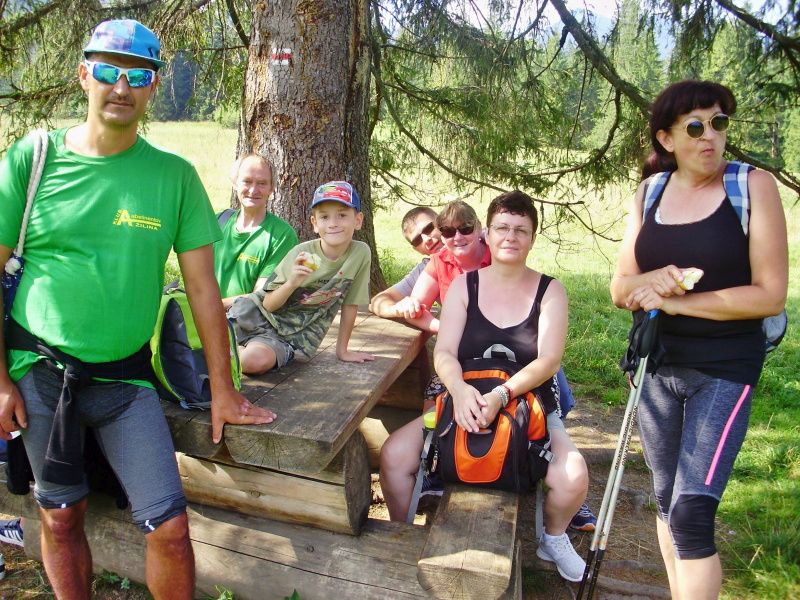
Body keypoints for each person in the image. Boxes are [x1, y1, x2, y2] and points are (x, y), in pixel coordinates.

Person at [0, 20, 274, 599]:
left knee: (170, 528)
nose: (121, 87)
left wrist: (223, 388)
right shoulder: (33, 158)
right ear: (84, 75)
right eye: (108, 70)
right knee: (60, 516)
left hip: (125, 381)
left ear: (154, 86)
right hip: (39, 371)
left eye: (139, 75)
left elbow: (203, 290)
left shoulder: (173, 177)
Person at [610, 80, 788, 599]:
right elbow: (620, 288)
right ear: (667, 139)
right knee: (667, 500)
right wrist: (653, 280)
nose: (709, 135)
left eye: (718, 123)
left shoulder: (752, 186)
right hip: (656, 364)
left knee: (692, 513)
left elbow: (770, 295)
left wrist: (678, 302)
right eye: (694, 126)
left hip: (725, 367)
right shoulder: (650, 192)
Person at [381, 191, 589, 582]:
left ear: (532, 238)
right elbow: (445, 351)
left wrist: (502, 394)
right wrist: (459, 391)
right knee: (394, 455)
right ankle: (404, 533)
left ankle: (554, 536)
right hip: (462, 396)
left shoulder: (550, 291)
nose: (511, 236)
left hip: (529, 403)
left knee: (574, 474)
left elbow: (548, 361)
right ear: (488, 234)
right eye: (502, 228)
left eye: (521, 230)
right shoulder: (465, 286)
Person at [229, 181, 375, 375]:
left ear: (358, 220)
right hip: (252, 315)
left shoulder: (360, 253)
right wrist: (293, 282)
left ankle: (229, 353)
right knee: (202, 340)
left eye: (342, 215)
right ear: (314, 223)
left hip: (286, 338)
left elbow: (350, 303)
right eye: (324, 217)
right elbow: (268, 305)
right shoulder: (301, 253)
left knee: (253, 362)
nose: (333, 223)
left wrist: (343, 351)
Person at [213, 154, 298, 309]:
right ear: (235, 184)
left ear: (272, 188)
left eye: (262, 183)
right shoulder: (217, 222)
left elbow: (261, 296)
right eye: (247, 181)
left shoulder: (282, 235)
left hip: (243, 321)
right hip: (200, 317)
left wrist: (212, 307)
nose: (253, 190)